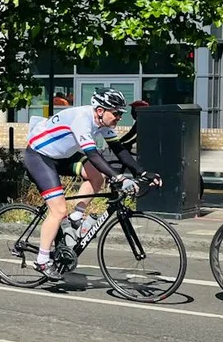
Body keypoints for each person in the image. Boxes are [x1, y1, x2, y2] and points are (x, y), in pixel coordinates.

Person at [24, 89, 159, 281]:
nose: (120, 117)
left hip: (63, 156)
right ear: (100, 110)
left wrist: (142, 172)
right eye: (116, 113)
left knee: (97, 178)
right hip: (39, 157)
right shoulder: (82, 119)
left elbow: (119, 149)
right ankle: (42, 260)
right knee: (58, 210)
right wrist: (120, 178)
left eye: (121, 113)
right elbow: (93, 155)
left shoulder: (102, 121)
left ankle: (76, 217)